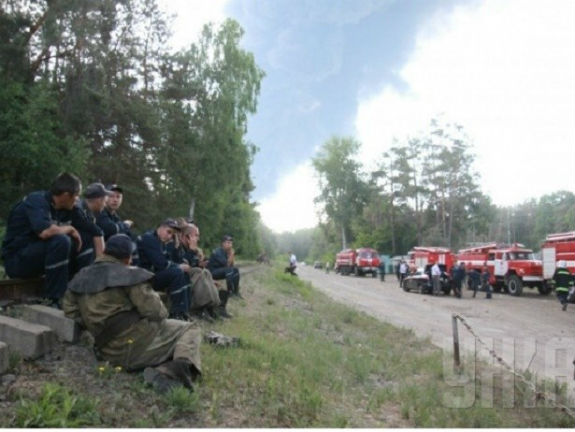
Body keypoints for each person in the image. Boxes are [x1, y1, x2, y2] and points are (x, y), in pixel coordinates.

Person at [63, 234, 202, 392]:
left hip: (106, 351)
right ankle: (173, 373)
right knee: (191, 328)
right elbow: (157, 312)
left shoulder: (80, 277)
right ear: (127, 257)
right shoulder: (130, 275)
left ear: (105, 252)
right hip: (136, 346)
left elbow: (71, 312)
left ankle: (163, 365)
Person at [1, 173, 89, 307]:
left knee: (79, 242)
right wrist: (70, 229)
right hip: (16, 260)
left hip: (34, 256)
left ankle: (77, 292)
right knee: (61, 241)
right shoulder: (37, 200)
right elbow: (45, 232)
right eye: (76, 195)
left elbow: (91, 230)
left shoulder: (63, 208)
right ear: (66, 195)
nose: (78, 200)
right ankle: (53, 300)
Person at [173, 221, 232, 320]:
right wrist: (192, 251)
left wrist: (198, 261)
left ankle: (212, 307)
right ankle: (200, 309)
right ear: (187, 237)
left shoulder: (189, 248)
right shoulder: (176, 246)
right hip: (177, 278)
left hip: (186, 276)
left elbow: (191, 264)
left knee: (206, 272)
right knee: (198, 272)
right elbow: (182, 263)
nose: (198, 239)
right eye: (195, 236)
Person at [136, 219, 190, 320]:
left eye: (172, 234)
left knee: (183, 272)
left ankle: (184, 311)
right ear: (160, 227)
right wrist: (179, 266)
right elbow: (161, 264)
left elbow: (167, 261)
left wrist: (179, 265)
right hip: (142, 278)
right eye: (168, 232)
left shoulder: (160, 241)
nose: (170, 236)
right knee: (177, 272)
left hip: (150, 275)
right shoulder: (149, 239)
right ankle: (176, 313)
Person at [95, 184, 138, 264]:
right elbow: (110, 229)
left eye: (118, 197)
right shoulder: (100, 211)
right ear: (105, 197)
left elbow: (127, 235)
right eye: (111, 196)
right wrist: (125, 225)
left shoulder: (115, 216)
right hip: (98, 257)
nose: (115, 200)